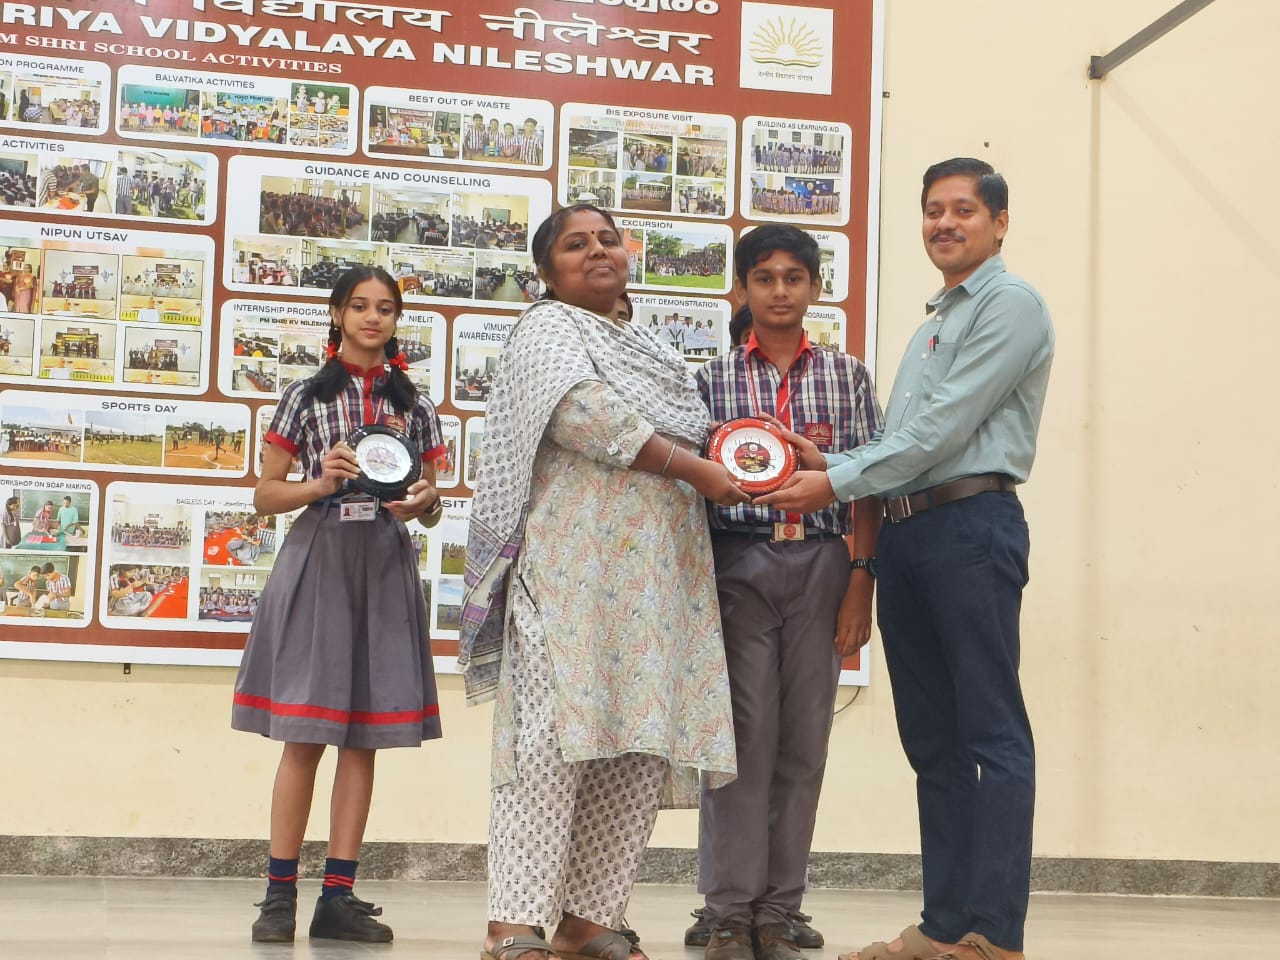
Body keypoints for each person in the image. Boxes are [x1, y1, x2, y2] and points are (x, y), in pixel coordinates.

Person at [757, 158, 1054, 960]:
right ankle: (944, 924)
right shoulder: (933, 325)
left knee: (992, 733)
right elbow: (905, 443)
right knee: (931, 740)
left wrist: (832, 481)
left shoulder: (1011, 306)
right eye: (933, 211)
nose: (944, 223)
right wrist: (828, 460)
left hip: (972, 525)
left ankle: (995, 933)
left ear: (999, 222)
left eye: (964, 210)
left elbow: (943, 433)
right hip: (910, 533)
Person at [460, 203, 746, 960]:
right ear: (547, 272)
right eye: (575, 244)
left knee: (637, 744)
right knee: (550, 744)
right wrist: (696, 469)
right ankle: (513, 921)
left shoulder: (652, 351)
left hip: (659, 578)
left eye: (608, 240)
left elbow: (693, 428)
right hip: (569, 576)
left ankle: (589, 919)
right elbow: (585, 417)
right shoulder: (547, 328)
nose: (597, 251)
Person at [231, 265, 447, 945]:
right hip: (320, 556)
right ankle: (278, 896)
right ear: (337, 314)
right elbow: (265, 495)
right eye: (359, 306)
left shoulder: (415, 406)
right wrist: (319, 483)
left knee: (364, 737)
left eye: (385, 308)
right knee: (305, 734)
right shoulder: (304, 396)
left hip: (382, 562)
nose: (372, 318)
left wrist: (426, 502)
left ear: (396, 319)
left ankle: (338, 896)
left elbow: (431, 502)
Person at [692, 225, 882, 960]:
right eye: (764, 278)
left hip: (822, 566)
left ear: (815, 287)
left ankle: (778, 910)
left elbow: (870, 482)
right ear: (741, 288)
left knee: (804, 744)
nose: (779, 291)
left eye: (793, 278)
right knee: (741, 741)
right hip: (737, 565)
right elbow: (688, 490)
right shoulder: (709, 380)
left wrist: (860, 580)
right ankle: (727, 911)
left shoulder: (847, 376)